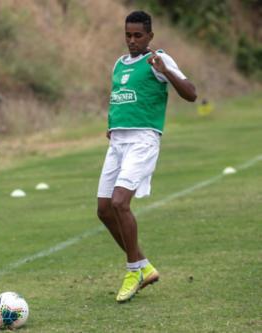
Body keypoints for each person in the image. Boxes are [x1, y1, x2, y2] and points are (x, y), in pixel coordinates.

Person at [96, 11, 197, 303]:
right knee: (103, 210)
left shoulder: (159, 59)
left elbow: (191, 93)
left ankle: (133, 269)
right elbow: (121, 96)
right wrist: (113, 125)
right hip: (118, 141)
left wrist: (166, 71)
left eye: (138, 35)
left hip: (143, 141)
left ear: (150, 36)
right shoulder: (119, 63)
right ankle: (144, 266)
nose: (132, 40)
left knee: (119, 202)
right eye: (128, 35)